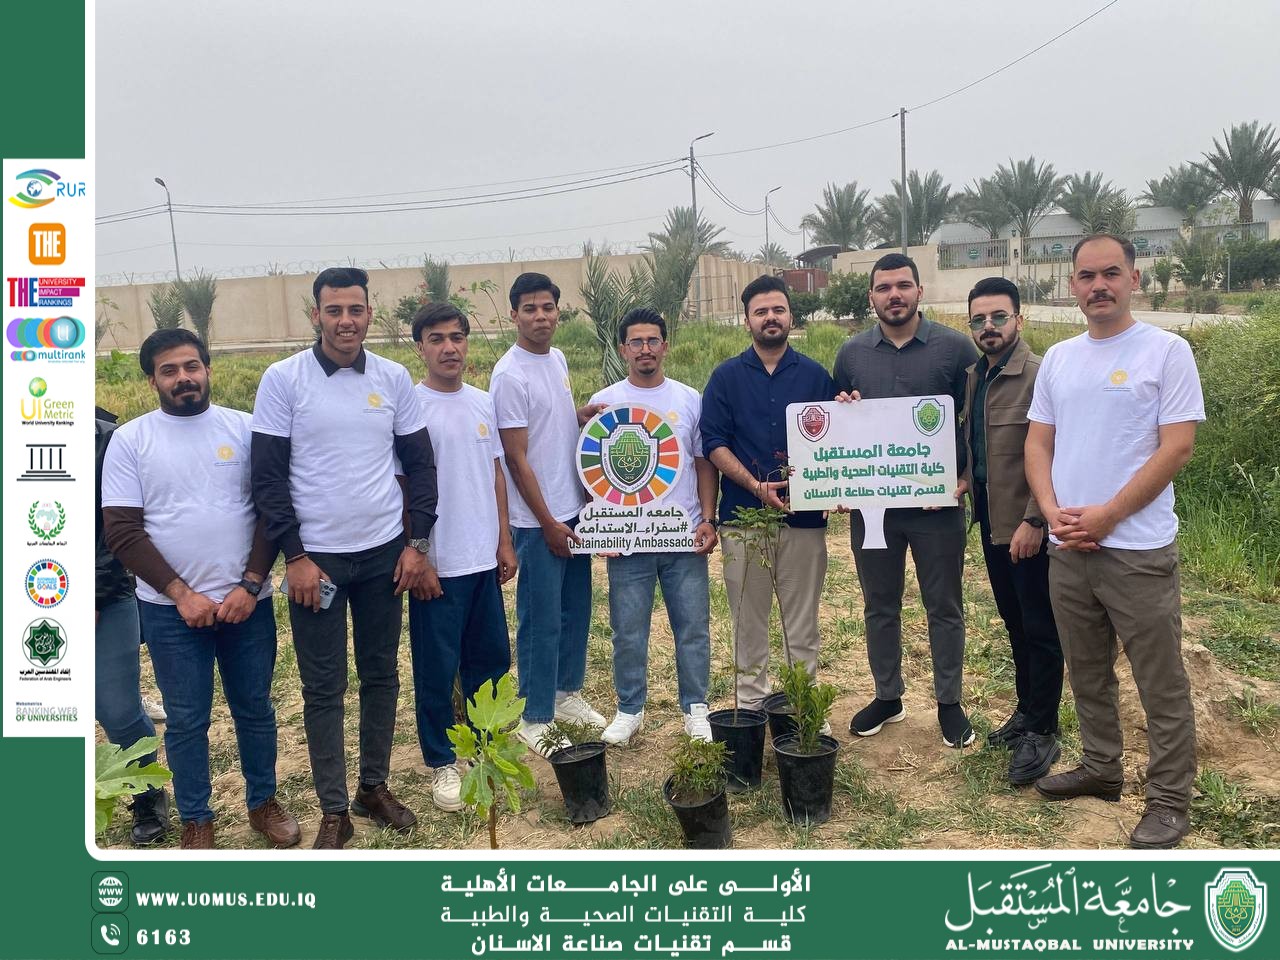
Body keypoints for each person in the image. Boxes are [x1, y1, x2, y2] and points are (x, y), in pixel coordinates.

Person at [1026, 233, 1204, 849]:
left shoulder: (1166, 351)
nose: (1097, 285)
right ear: (1071, 285)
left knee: (1161, 682)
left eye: (1110, 274)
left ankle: (1168, 799)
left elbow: (1176, 446)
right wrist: (1053, 513)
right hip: (1068, 548)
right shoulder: (1059, 358)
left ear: (1133, 278)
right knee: (1087, 670)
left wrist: (1107, 516)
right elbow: (1038, 444)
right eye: (1085, 276)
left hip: (1137, 549)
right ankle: (1101, 768)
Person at [251, 266, 437, 849]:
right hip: (318, 564)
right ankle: (335, 808)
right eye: (333, 311)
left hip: (385, 555)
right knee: (323, 687)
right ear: (316, 315)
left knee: (381, 675)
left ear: (369, 314)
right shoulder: (284, 381)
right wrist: (296, 557)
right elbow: (268, 479)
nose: (346, 321)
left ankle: (372, 786)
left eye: (355, 310)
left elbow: (421, 464)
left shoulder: (393, 377)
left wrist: (418, 544)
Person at [102, 330, 297, 850]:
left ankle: (263, 804)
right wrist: (180, 593)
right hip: (170, 613)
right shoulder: (132, 440)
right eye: (169, 370)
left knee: (255, 708)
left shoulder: (247, 429)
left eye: (191, 366)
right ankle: (197, 819)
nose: (183, 377)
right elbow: (122, 529)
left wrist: (251, 584)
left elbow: (270, 511)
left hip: (245, 605)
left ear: (208, 368)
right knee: (187, 720)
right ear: (153, 380)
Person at [832, 253, 978, 748]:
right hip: (874, 511)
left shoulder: (957, 350)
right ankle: (888, 696)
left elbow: (976, 422)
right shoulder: (851, 355)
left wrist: (964, 479)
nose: (894, 295)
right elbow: (837, 431)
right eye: (883, 288)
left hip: (938, 508)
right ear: (871, 297)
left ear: (919, 292)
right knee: (880, 604)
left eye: (903, 286)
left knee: (944, 604)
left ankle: (949, 702)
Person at [701, 275, 836, 712]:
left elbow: (839, 442)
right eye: (761, 311)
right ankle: (752, 712)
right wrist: (756, 486)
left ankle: (803, 710)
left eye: (778, 309)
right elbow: (714, 444)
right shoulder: (725, 378)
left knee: (802, 625)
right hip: (743, 520)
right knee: (748, 623)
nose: (770, 318)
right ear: (747, 321)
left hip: (804, 521)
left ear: (790, 316)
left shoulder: (817, 376)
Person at [588, 307, 719, 745]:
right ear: (623, 348)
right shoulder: (606, 400)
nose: (645, 349)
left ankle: (696, 708)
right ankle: (629, 709)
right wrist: (603, 526)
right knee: (627, 629)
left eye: (653, 341)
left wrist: (707, 517)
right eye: (636, 342)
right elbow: (591, 469)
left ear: (666, 345)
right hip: (628, 540)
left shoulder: (689, 399)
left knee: (693, 626)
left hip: (682, 534)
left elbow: (703, 462)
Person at [491, 272, 606, 755]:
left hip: (573, 509)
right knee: (540, 616)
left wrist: (574, 418)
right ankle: (534, 714)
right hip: (538, 521)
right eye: (530, 309)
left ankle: (565, 693)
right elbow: (516, 459)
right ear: (514, 315)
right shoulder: (509, 375)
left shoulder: (555, 359)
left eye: (548, 308)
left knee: (575, 608)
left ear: (559, 312)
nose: (541, 317)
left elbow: (545, 428)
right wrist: (547, 523)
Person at [406, 302, 515, 810]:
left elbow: (495, 473)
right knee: (436, 667)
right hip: (438, 563)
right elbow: (402, 486)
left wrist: (504, 541)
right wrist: (419, 555)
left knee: (490, 662)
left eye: (457, 337)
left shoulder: (482, 402)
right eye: (437, 339)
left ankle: (484, 749)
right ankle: (442, 761)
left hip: (481, 559)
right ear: (420, 347)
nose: (449, 347)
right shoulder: (410, 406)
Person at [960, 277, 1063, 784]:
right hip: (992, 524)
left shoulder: (1040, 375)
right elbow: (979, 449)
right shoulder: (976, 376)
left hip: (1026, 528)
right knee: (1016, 624)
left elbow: (1053, 453)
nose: (989, 327)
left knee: (1042, 629)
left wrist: (1034, 520)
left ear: (1018, 319)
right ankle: (1026, 711)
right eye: (979, 320)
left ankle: (1043, 729)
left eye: (998, 317)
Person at [95, 405, 167, 845]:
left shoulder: (102, 438)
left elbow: (114, 527)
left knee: (117, 711)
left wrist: (89, 589)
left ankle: (147, 790)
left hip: (100, 597)